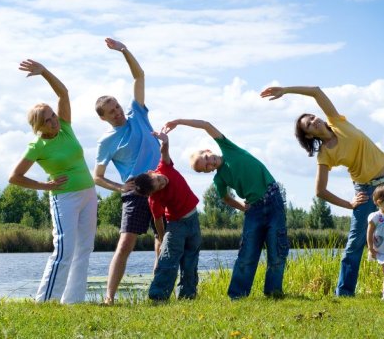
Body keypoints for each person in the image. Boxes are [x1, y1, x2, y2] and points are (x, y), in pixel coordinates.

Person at [260, 85, 384, 296]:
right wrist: (349, 204)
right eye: (309, 124)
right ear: (310, 136)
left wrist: (285, 90)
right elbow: (320, 190)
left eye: (312, 116)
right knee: (355, 242)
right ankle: (344, 292)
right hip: (365, 190)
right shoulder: (324, 155)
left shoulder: (336, 121)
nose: (314, 120)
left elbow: (316, 91)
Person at [162, 119, 289, 299]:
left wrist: (179, 122)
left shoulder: (228, 148)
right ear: (207, 172)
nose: (209, 163)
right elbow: (226, 198)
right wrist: (243, 208)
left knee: (277, 250)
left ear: (208, 151)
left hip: (273, 200)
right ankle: (237, 295)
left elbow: (206, 125)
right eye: (205, 167)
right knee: (247, 254)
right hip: (254, 210)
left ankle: (274, 292)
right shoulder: (219, 179)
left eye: (206, 158)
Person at [9, 59, 98, 304]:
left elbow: (63, 93)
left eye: (53, 115)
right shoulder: (37, 145)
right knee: (64, 250)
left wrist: (45, 72)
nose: (54, 120)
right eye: (48, 119)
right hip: (64, 198)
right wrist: (44, 186)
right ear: (39, 125)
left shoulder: (66, 127)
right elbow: (14, 177)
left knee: (84, 249)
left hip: (89, 194)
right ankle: (45, 302)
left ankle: (73, 301)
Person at [93, 38, 161, 305]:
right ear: (104, 118)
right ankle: (109, 297)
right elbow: (96, 176)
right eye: (111, 112)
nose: (118, 113)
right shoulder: (106, 141)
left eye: (118, 107)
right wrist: (120, 187)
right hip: (135, 194)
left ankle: (157, 293)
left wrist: (124, 50)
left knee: (162, 240)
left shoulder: (138, 115)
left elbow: (139, 75)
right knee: (125, 244)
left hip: (160, 184)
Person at [133, 132, 201, 301]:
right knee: (169, 261)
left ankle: (187, 295)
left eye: (158, 179)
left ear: (152, 172)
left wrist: (165, 140)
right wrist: (163, 238)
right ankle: (158, 297)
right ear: (153, 193)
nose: (162, 182)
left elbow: (164, 151)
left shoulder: (164, 167)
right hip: (176, 225)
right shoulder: (154, 198)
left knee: (191, 260)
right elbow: (157, 219)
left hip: (193, 220)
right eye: (158, 186)